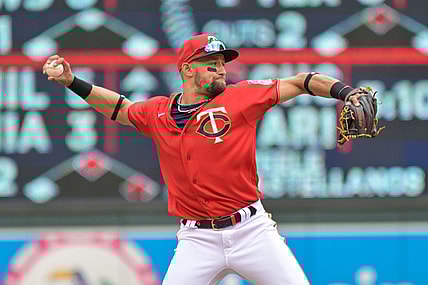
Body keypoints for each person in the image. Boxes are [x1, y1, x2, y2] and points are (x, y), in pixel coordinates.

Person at [43, 34, 366, 285]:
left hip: (251, 230)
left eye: (222, 63)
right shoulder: (157, 112)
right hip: (197, 239)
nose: (221, 69)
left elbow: (301, 82)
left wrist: (345, 92)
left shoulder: (240, 97)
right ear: (187, 69)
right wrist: (72, 82)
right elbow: (121, 108)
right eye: (211, 63)